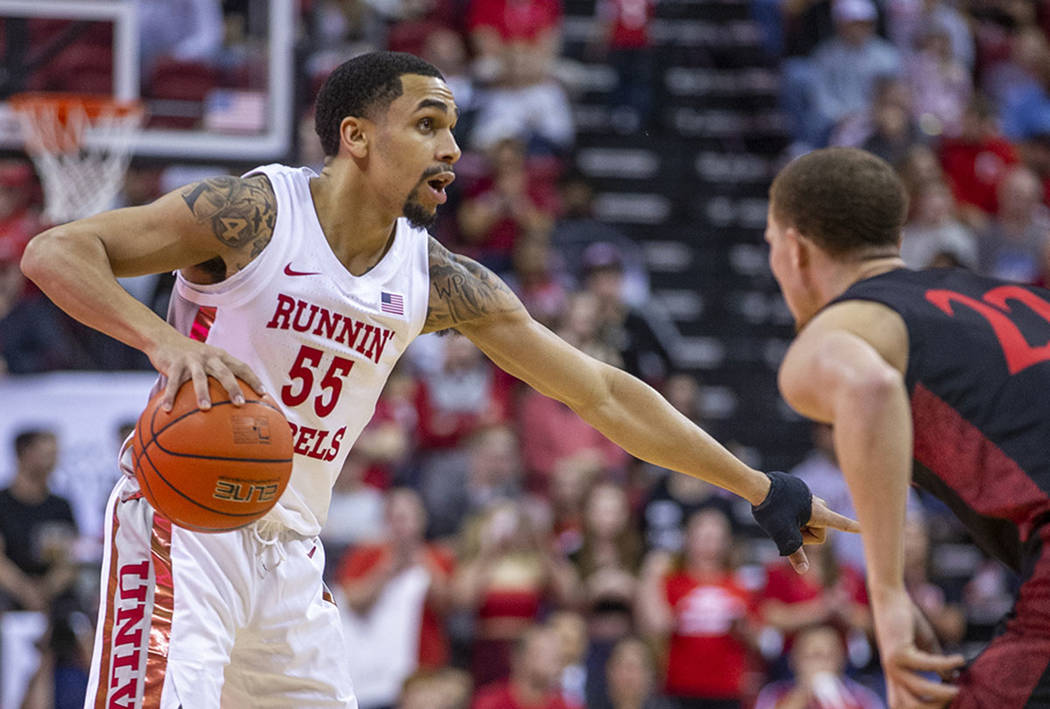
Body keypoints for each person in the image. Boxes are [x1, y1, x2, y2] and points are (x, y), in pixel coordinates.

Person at [21, 52, 853, 707]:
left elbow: (599, 391)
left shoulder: (437, 279)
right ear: (356, 136)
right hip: (184, 519)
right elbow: (56, 251)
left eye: (454, 129)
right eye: (427, 125)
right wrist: (166, 342)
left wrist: (754, 484)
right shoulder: (254, 215)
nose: (453, 148)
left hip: (291, 549)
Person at [765, 146, 1050, 707]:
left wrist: (888, 594)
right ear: (893, 240)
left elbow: (869, 388)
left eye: (771, 244)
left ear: (795, 250)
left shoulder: (840, 331)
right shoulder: (1014, 297)